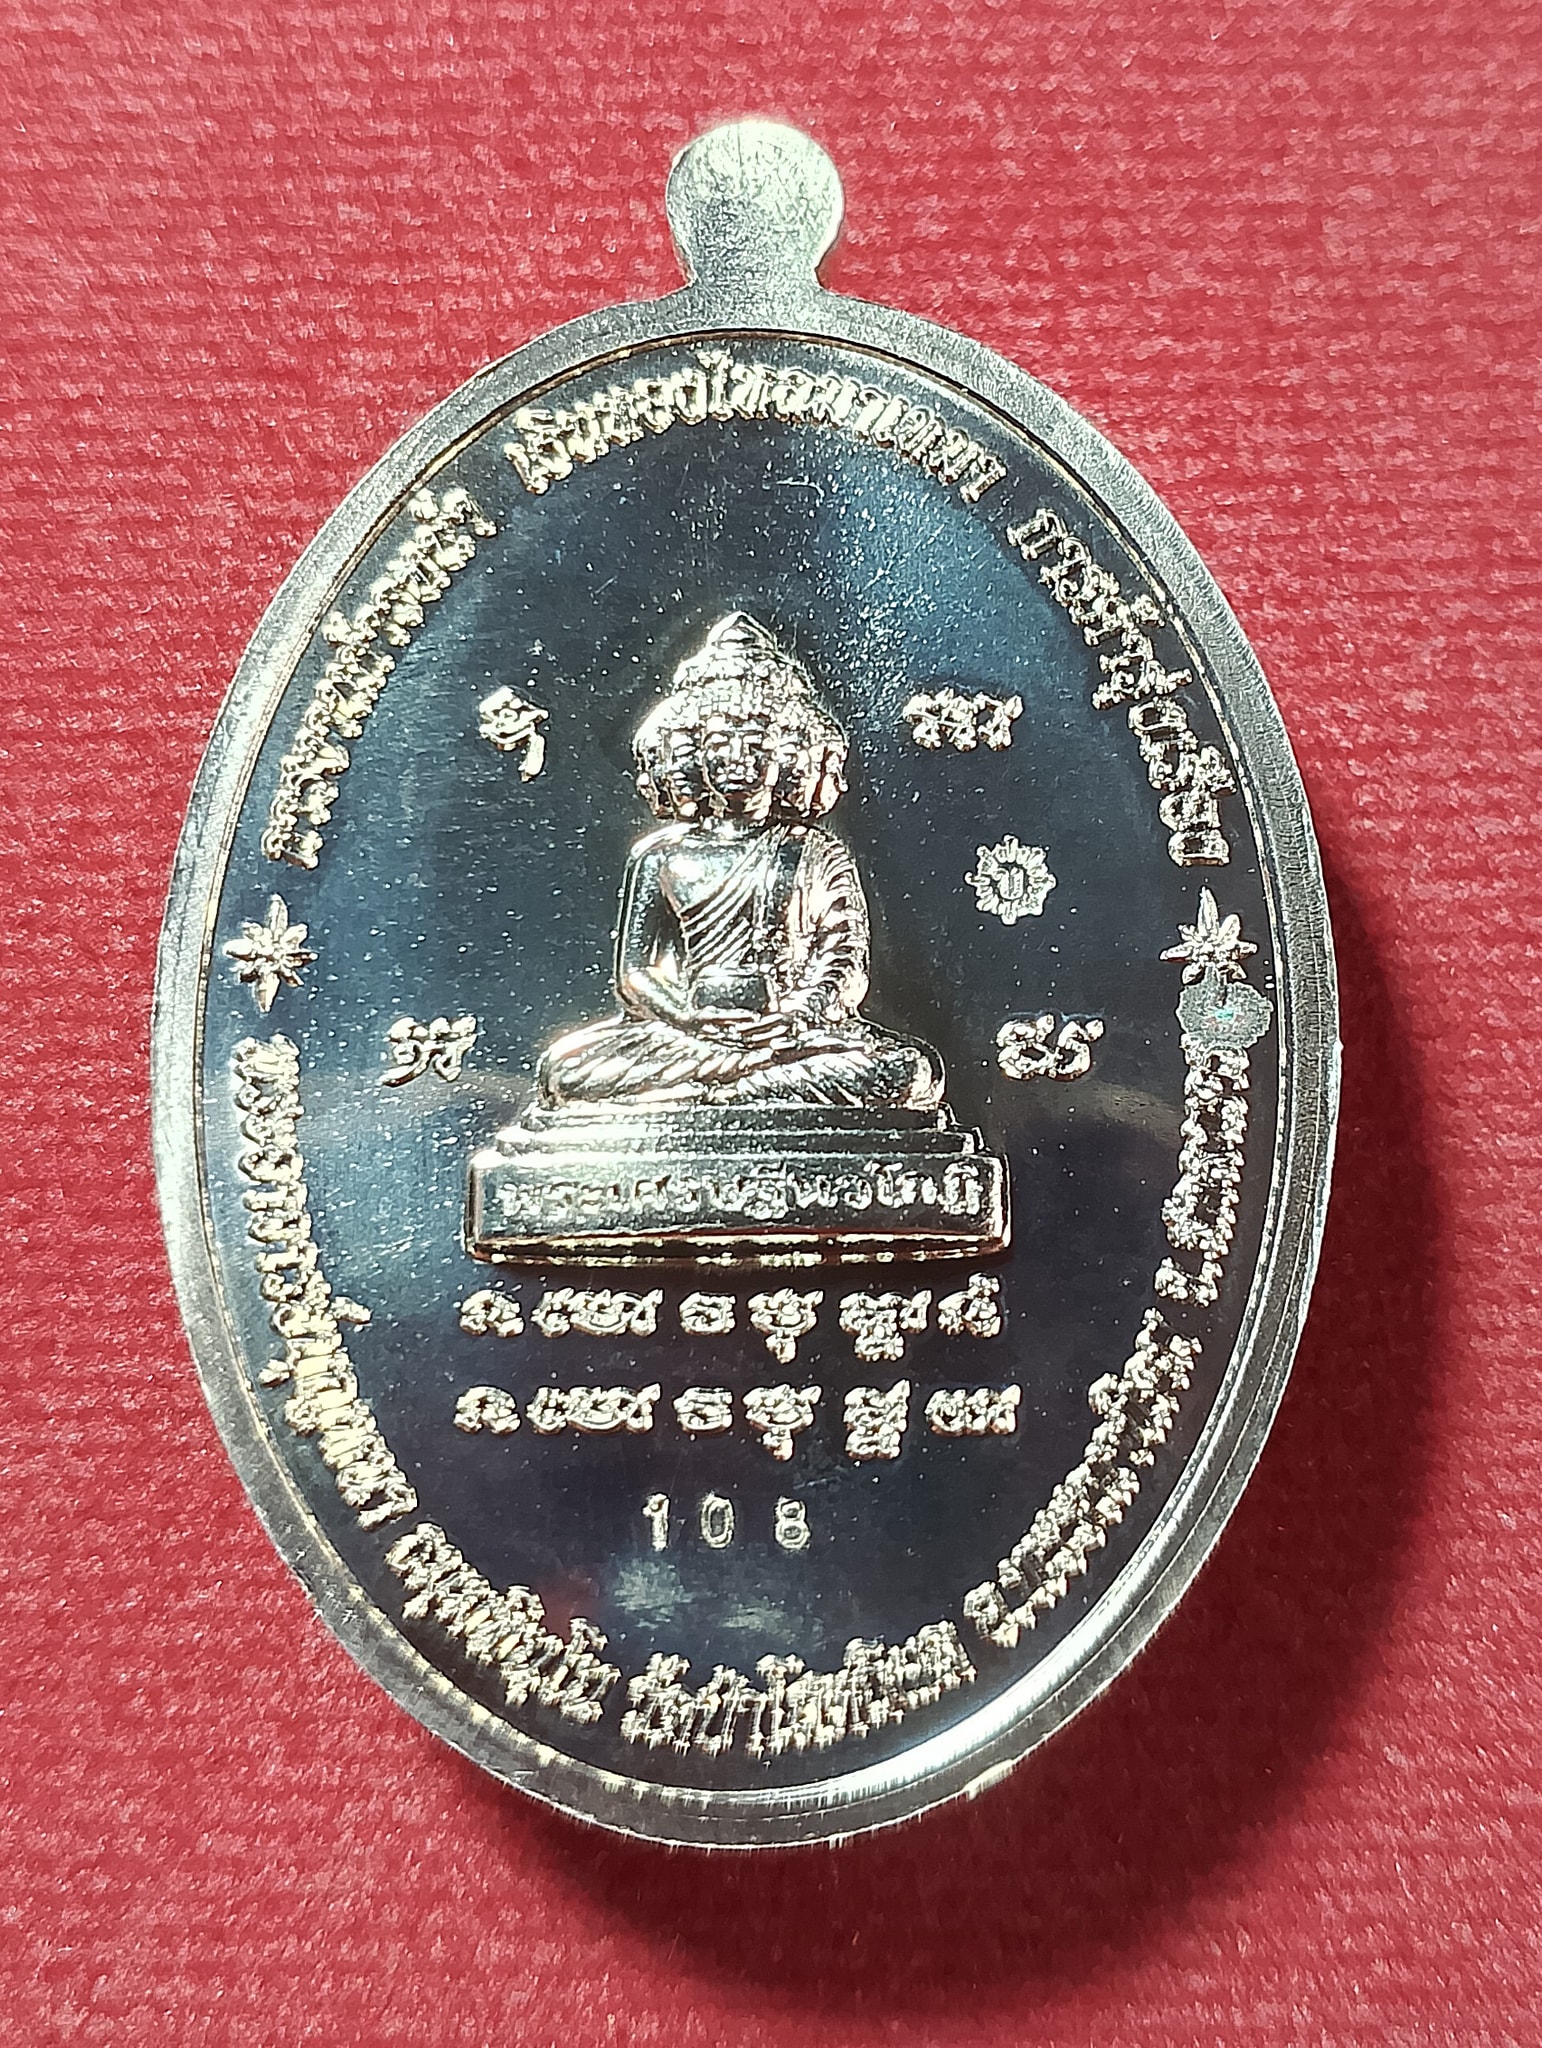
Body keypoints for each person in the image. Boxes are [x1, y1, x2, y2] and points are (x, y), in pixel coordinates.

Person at [537, 612, 946, 1113]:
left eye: (757, 745)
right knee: (567, 1072)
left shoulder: (816, 851)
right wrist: (687, 1016)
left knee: (908, 1073)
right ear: (688, 755)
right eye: (718, 744)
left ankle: (714, 1095)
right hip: (689, 1032)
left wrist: (795, 1015)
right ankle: (740, 1089)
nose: (737, 758)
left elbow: (843, 955)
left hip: (789, 1033)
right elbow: (636, 974)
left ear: (789, 757)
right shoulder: (661, 856)